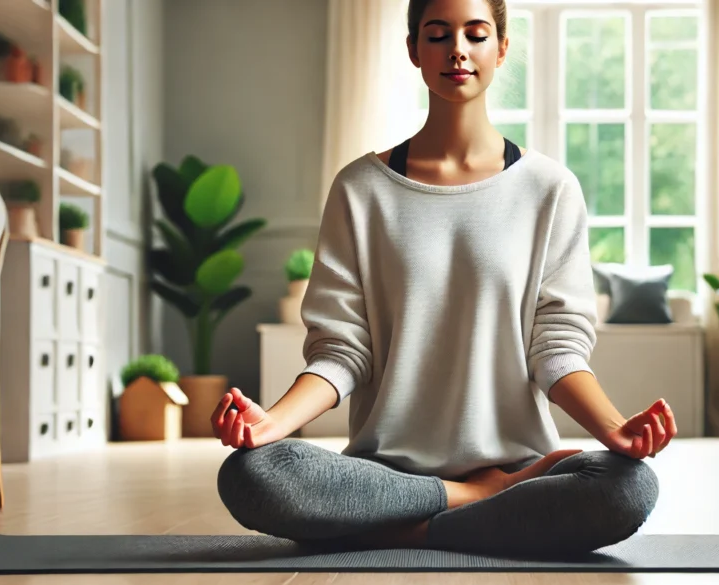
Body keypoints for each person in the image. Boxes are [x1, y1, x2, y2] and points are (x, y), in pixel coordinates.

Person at [213, 0, 677, 558]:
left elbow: (556, 347)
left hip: (520, 463)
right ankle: (476, 499)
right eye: (438, 35)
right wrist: (271, 424)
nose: (457, 49)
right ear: (414, 49)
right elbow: (341, 351)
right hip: (383, 473)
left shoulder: (550, 188)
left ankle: (393, 527)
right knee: (254, 474)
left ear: (501, 48)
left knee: (629, 488)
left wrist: (614, 430)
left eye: (476, 34)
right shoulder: (361, 188)